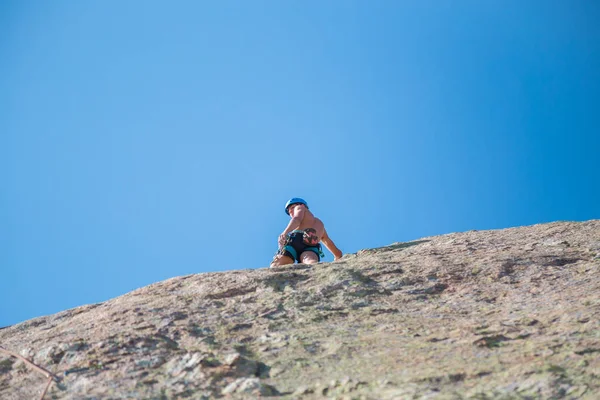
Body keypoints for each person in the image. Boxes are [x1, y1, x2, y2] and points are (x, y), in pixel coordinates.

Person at [270, 198, 343, 267]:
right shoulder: (320, 224)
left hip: (297, 238)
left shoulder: (300, 207)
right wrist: (337, 255)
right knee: (310, 261)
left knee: (277, 265)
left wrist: (285, 233)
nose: (291, 212)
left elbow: (296, 220)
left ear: (302, 205)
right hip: (312, 245)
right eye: (289, 212)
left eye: (292, 208)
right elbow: (327, 241)